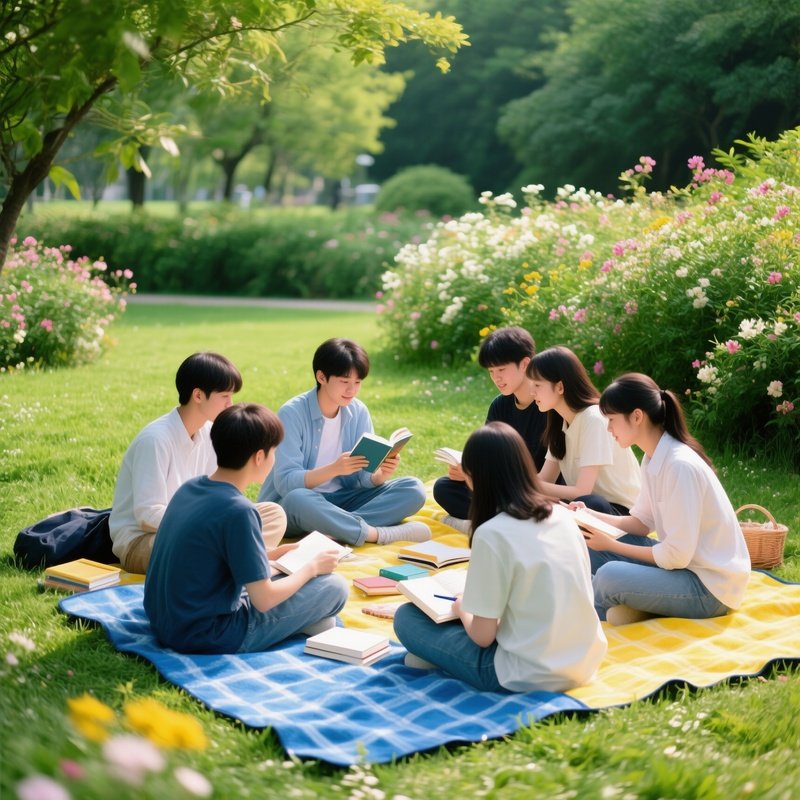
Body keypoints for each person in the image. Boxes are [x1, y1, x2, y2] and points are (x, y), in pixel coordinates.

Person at [394, 422, 607, 692]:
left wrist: (462, 609)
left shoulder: (492, 533)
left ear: (473, 478)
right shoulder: (563, 516)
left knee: (407, 618)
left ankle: (438, 658)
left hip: (524, 674)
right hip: (584, 663)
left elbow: (483, 637)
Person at [144, 403, 349, 654]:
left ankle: (303, 617)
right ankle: (303, 621)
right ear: (259, 456)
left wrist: (266, 556)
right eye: (273, 451)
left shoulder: (190, 488)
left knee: (282, 573)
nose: (274, 460)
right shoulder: (240, 511)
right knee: (334, 587)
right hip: (209, 633)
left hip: (165, 621)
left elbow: (208, 558)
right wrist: (312, 568)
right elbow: (263, 600)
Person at [581, 373, 750, 626]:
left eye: (612, 420)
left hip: (709, 588)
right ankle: (630, 607)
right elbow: (641, 522)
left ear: (637, 416)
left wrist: (611, 545)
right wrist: (589, 516)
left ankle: (589, 617)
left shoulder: (679, 465)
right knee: (586, 545)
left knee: (607, 576)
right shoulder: (652, 458)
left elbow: (676, 556)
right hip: (682, 569)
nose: (609, 429)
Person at [109, 352, 286, 574]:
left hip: (197, 529)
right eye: (225, 396)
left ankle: (245, 561)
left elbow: (218, 493)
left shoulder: (211, 433)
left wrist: (222, 522)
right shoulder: (155, 440)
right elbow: (146, 515)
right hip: (145, 542)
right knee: (201, 545)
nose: (231, 404)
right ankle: (247, 563)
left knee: (272, 514)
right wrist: (207, 525)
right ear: (198, 395)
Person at [258, 338, 430, 546]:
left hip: (345, 501)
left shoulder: (358, 411)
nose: (352, 390)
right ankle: (375, 534)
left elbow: (362, 478)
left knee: (413, 488)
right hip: (301, 505)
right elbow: (286, 483)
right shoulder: (292, 413)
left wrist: (379, 476)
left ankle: (336, 529)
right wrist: (334, 469)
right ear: (321, 377)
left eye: (357, 383)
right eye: (344, 381)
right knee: (298, 499)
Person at [433, 326, 548, 535]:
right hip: (503, 491)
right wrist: (468, 471)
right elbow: (487, 456)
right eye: (491, 372)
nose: (496, 378)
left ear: (525, 364)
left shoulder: (547, 406)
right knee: (444, 488)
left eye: (501, 370)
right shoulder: (500, 405)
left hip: (538, 490)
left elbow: (548, 475)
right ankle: (499, 522)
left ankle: (482, 523)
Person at [527, 346, 640, 514]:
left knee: (587, 503)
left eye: (537, 385)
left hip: (620, 514)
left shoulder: (594, 418)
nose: (531, 392)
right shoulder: (559, 423)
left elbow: (582, 491)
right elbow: (544, 480)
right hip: (585, 508)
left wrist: (527, 485)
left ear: (560, 387)